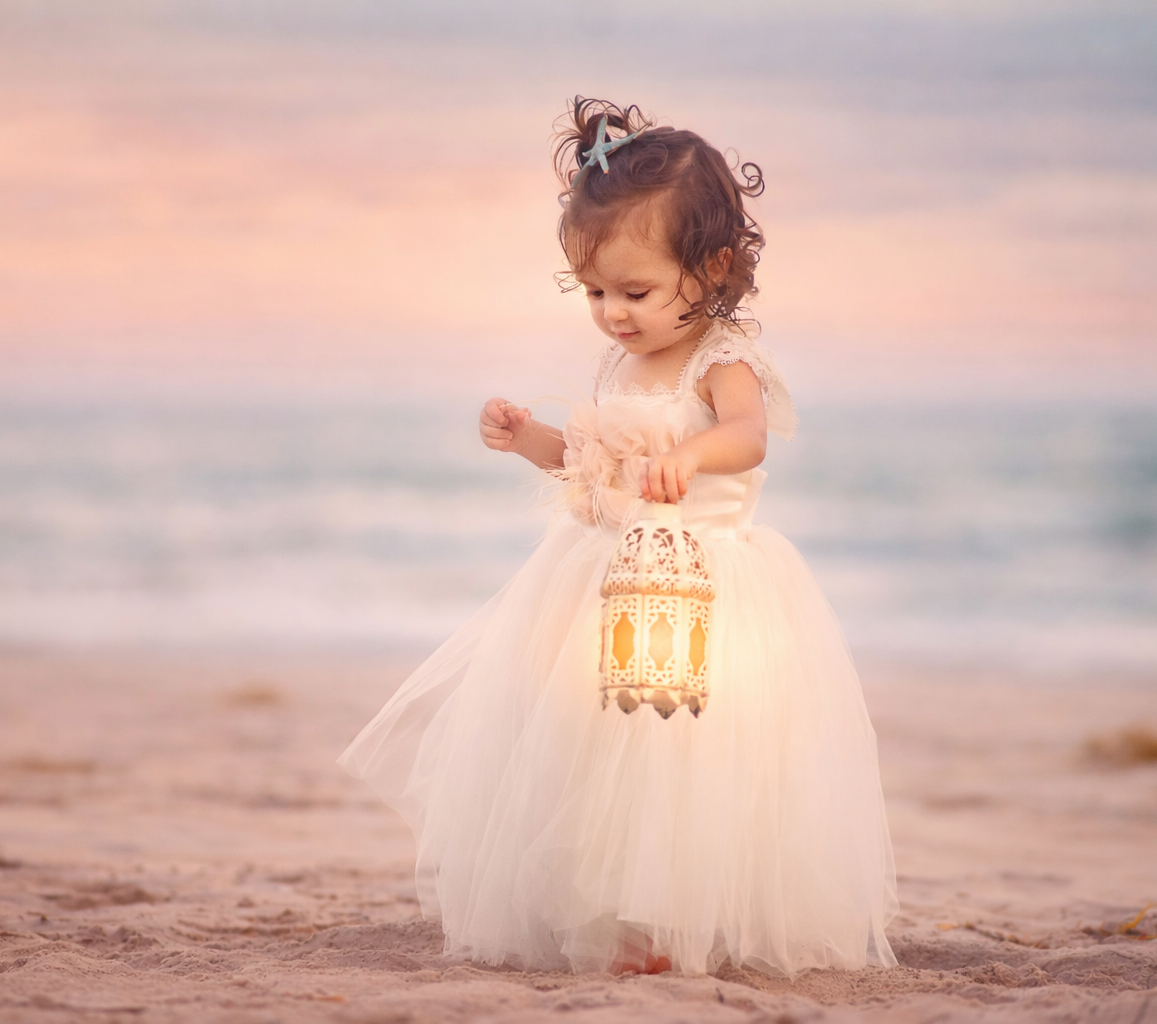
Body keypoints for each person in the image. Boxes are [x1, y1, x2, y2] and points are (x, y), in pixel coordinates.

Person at [339, 97, 898, 978]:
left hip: (703, 588)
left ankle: (674, 925)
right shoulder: (619, 362)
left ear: (711, 268)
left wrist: (695, 450)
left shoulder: (723, 360)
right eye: (594, 292)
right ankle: (613, 920)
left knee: (681, 762)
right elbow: (589, 466)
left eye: (635, 292)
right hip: (601, 583)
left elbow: (748, 436)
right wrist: (528, 437)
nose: (613, 314)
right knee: (587, 757)